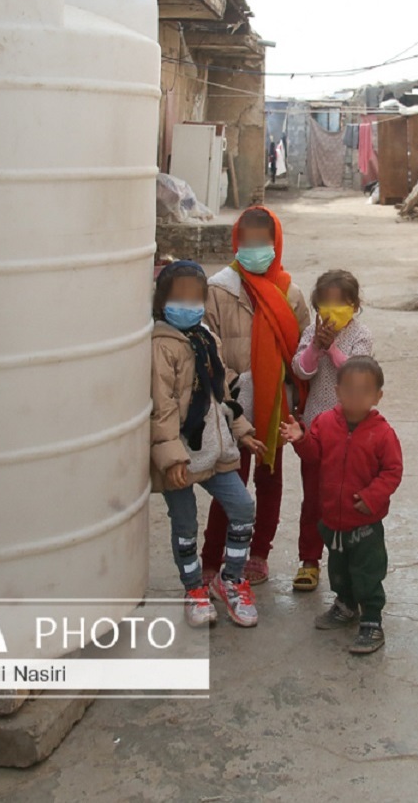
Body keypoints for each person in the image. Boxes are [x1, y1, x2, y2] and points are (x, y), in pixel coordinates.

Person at [149, 261, 267, 628]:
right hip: (180, 455)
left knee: (243, 507)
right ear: (161, 301)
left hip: (216, 449)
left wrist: (242, 427)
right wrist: (170, 458)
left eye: (195, 297)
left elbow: (222, 389)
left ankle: (230, 579)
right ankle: (193, 589)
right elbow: (161, 407)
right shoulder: (160, 348)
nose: (188, 304)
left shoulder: (206, 338)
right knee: (185, 524)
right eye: (178, 297)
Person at [201, 206, 311, 587]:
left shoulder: (289, 294)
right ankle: (211, 557)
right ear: (236, 241)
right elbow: (209, 350)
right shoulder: (218, 289)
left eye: (263, 241)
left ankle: (259, 553)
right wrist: (233, 391)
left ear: (276, 242)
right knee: (229, 481)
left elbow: (300, 354)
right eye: (247, 240)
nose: (255, 247)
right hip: (230, 405)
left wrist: (294, 403)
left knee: (269, 480)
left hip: (274, 405)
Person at [281, 356, 403, 654]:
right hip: (331, 520)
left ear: (378, 396)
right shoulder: (325, 422)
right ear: (337, 391)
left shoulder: (383, 434)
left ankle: (372, 620)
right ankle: (345, 605)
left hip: (365, 523)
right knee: (338, 568)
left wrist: (372, 497)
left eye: (365, 391)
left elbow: (392, 472)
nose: (356, 397)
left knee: (367, 573)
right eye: (349, 389)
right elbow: (314, 456)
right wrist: (301, 439)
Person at [289, 270, 374, 592]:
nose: (332, 311)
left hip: (351, 433)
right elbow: (301, 369)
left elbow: (358, 375)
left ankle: (349, 560)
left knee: (346, 498)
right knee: (313, 500)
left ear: (353, 305)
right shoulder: (312, 331)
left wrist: (334, 348)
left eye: (340, 304)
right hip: (314, 431)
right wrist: (315, 347)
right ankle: (309, 561)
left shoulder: (361, 336)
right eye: (325, 304)